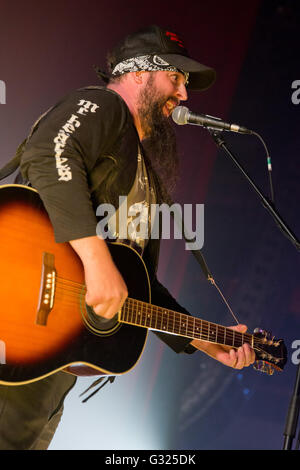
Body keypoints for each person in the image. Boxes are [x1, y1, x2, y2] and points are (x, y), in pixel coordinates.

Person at [0, 25, 255, 450]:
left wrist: (200, 338)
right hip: (20, 310)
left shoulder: (145, 173)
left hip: (52, 361)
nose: (185, 95)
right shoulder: (101, 105)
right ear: (139, 73)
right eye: (176, 78)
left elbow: (133, 283)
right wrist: (97, 263)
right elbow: (50, 153)